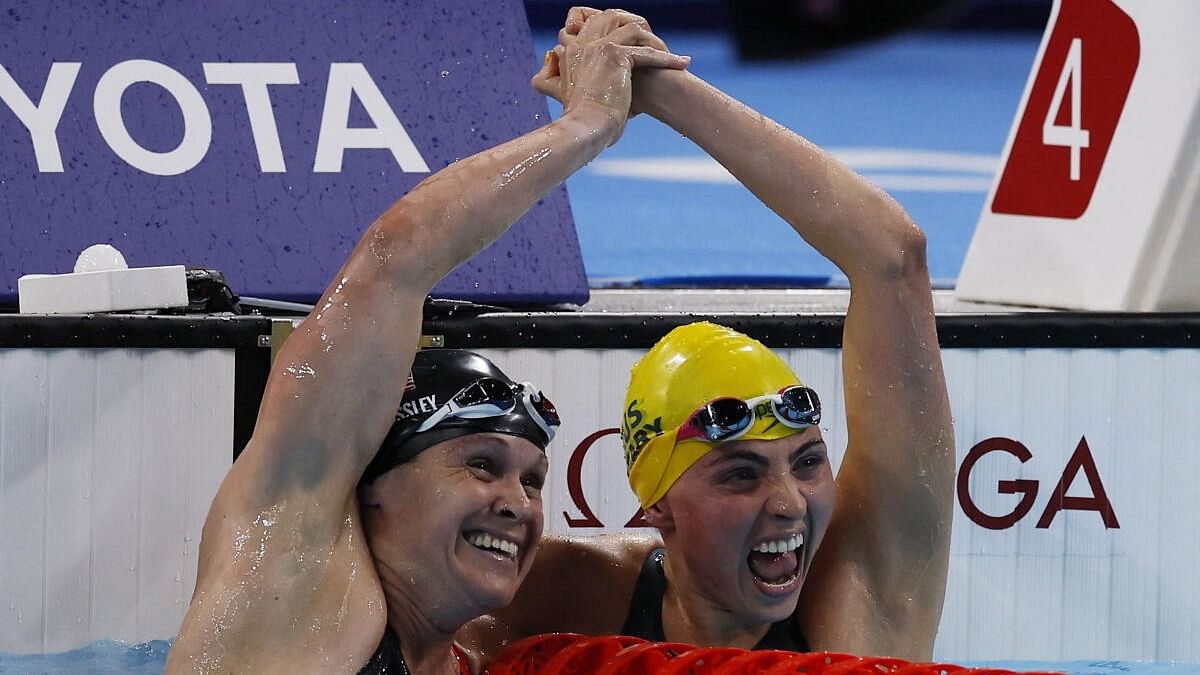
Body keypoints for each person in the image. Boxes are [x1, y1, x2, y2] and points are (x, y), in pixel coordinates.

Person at [164, 14, 690, 675]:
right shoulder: (294, 588)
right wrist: (588, 124)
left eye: (531, 480)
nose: (516, 504)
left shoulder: (476, 659)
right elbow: (397, 256)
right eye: (480, 464)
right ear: (375, 483)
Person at [462, 6, 955, 663]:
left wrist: (660, 85)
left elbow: (894, 255)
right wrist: (586, 128)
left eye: (807, 461)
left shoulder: (861, 598)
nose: (788, 503)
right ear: (658, 505)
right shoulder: (564, 594)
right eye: (741, 474)